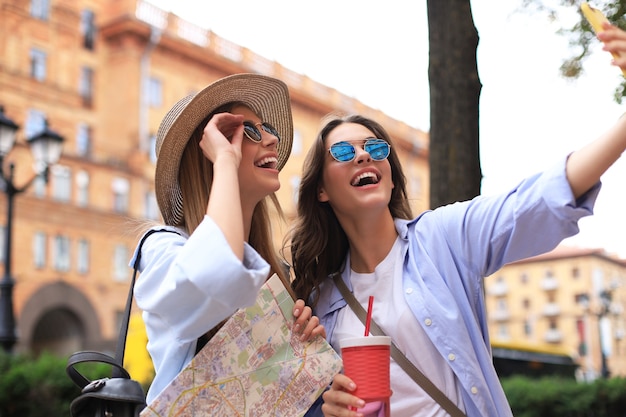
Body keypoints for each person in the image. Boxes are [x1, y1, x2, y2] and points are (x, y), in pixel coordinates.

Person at [288, 24, 626, 417]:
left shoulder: (440, 240)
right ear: (321, 190)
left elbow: (535, 201)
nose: (364, 156)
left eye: (375, 147)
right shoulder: (319, 302)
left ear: (390, 173)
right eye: (343, 152)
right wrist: (328, 407)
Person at [130, 73, 326, 405]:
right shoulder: (163, 248)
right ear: (206, 152)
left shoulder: (273, 267)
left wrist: (303, 347)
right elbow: (219, 269)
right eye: (249, 130)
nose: (270, 140)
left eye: (268, 129)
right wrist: (225, 160)